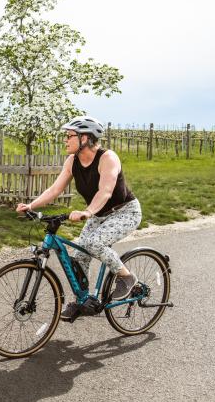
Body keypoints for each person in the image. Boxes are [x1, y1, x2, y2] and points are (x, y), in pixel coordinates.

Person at [16, 116, 142, 321]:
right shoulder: (72, 161)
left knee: (93, 243)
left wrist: (87, 212)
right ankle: (83, 300)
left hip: (124, 212)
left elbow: (106, 191)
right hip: (99, 214)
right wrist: (31, 205)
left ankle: (126, 277)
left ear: (85, 138)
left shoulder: (108, 158)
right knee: (79, 255)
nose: (65, 140)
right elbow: (55, 189)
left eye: (69, 136)